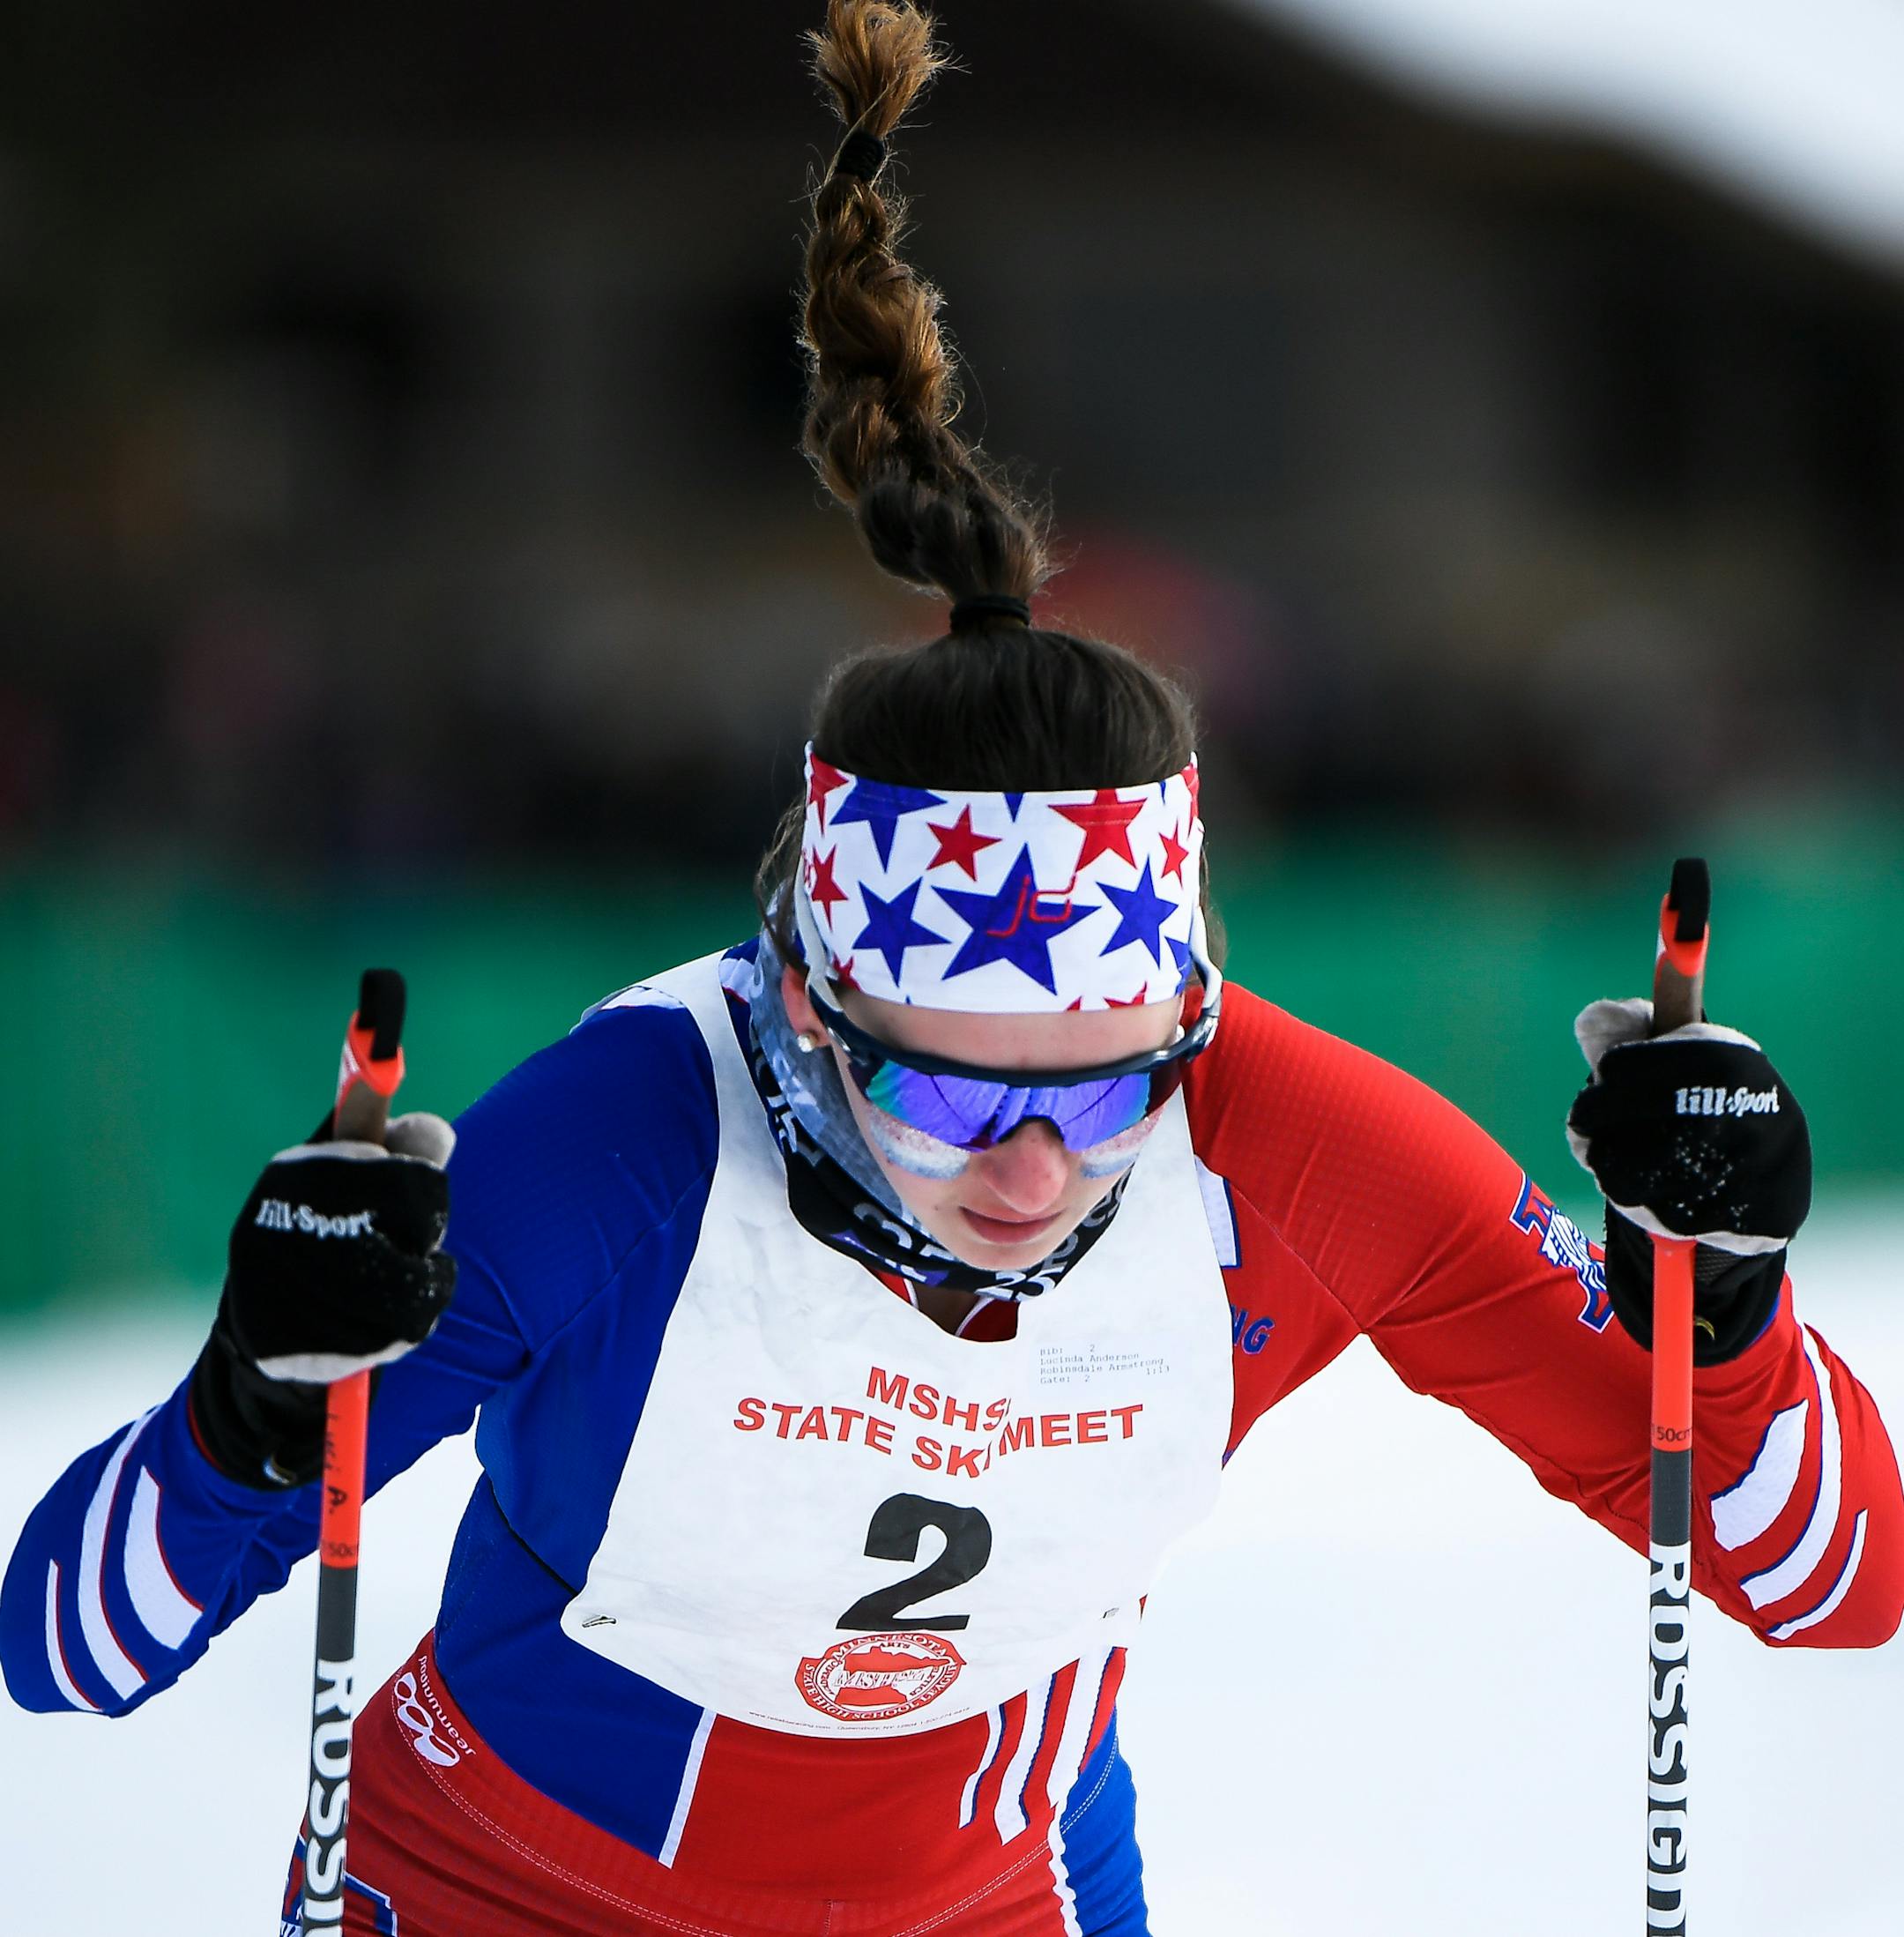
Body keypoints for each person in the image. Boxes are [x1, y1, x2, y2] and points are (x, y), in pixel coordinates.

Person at [4, 5, 1900, 1933]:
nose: (1034, 1168)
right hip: (515, 1888)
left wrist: (1724, 1308)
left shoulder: (1277, 1139)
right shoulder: (621, 1148)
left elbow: (1823, 1580)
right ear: (809, 1008)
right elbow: (65, 1650)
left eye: (1108, 1085)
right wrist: (256, 1393)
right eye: (944, 1089)